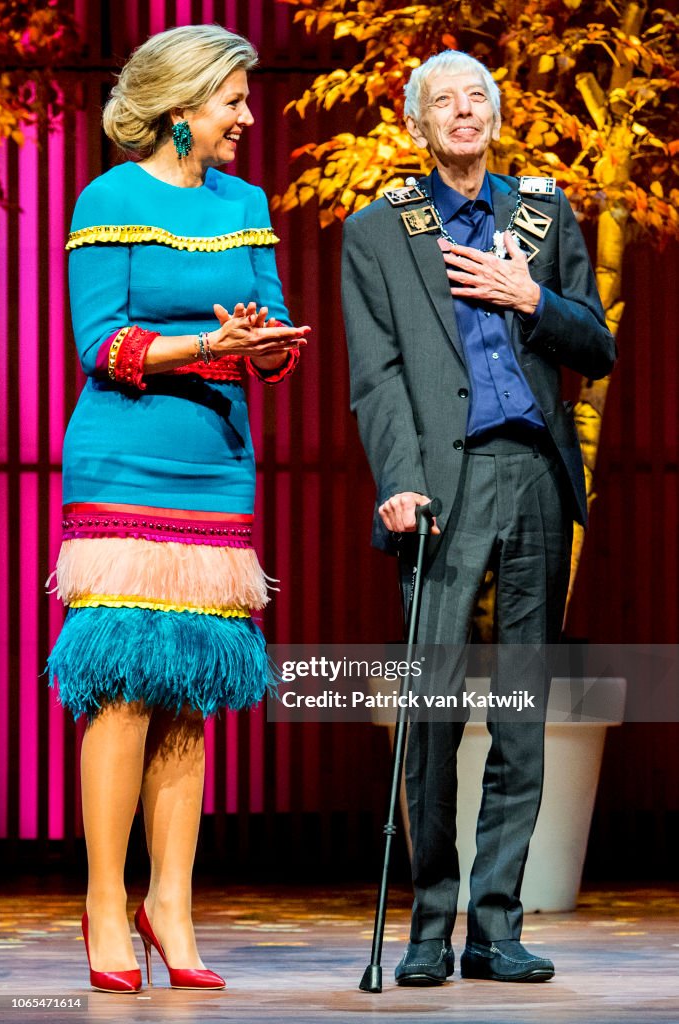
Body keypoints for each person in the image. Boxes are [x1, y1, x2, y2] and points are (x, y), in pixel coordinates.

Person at [342, 50, 615, 986]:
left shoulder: (540, 215)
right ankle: (428, 925)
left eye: (478, 100)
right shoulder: (379, 231)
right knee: (431, 711)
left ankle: (496, 925)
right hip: (438, 486)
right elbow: (376, 374)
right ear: (418, 123)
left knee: (521, 714)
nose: (464, 113)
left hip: (533, 473)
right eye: (443, 102)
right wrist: (398, 477)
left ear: (496, 118)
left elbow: (598, 343)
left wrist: (527, 295)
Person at [47, 24, 309, 994]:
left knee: (187, 694)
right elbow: (101, 345)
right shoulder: (107, 200)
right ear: (180, 107)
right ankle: (106, 904)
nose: (247, 117)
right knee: (121, 686)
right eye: (232, 100)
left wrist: (261, 343)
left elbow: (272, 339)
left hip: (217, 465)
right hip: (123, 463)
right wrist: (205, 349)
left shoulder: (244, 205)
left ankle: (172, 903)